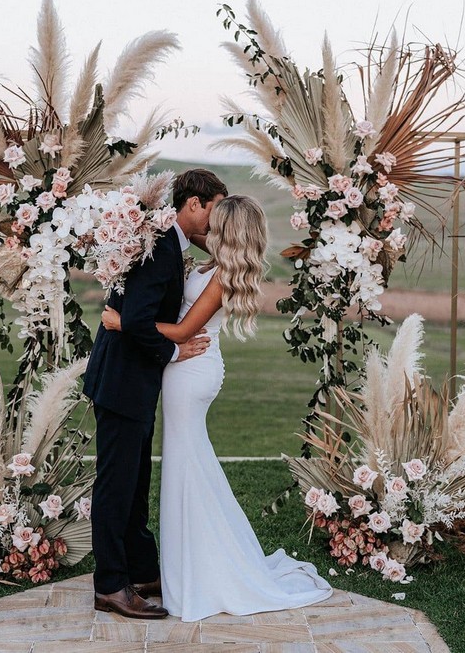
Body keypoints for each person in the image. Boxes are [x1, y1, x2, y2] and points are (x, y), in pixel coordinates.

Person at [101, 194, 333, 622]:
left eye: (216, 222)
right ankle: (179, 566)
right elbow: (188, 238)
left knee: (186, 467)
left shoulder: (225, 274)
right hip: (186, 371)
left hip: (192, 367)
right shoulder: (217, 258)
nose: (207, 227)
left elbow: (187, 328)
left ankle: (203, 572)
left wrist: (124, 322)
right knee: (187, 465)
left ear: (227, 229)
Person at [83, 168, 228, 619]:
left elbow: (134, 315)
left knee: (135, 484)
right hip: (123, 380)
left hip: (134, 381)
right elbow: (139, 320)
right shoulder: (162, 248)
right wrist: (175, 350)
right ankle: (110, 584)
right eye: (214, 210)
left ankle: (142, 570)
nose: (216, 223)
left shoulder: (168, 242)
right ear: (193, 205)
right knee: (116, 486)